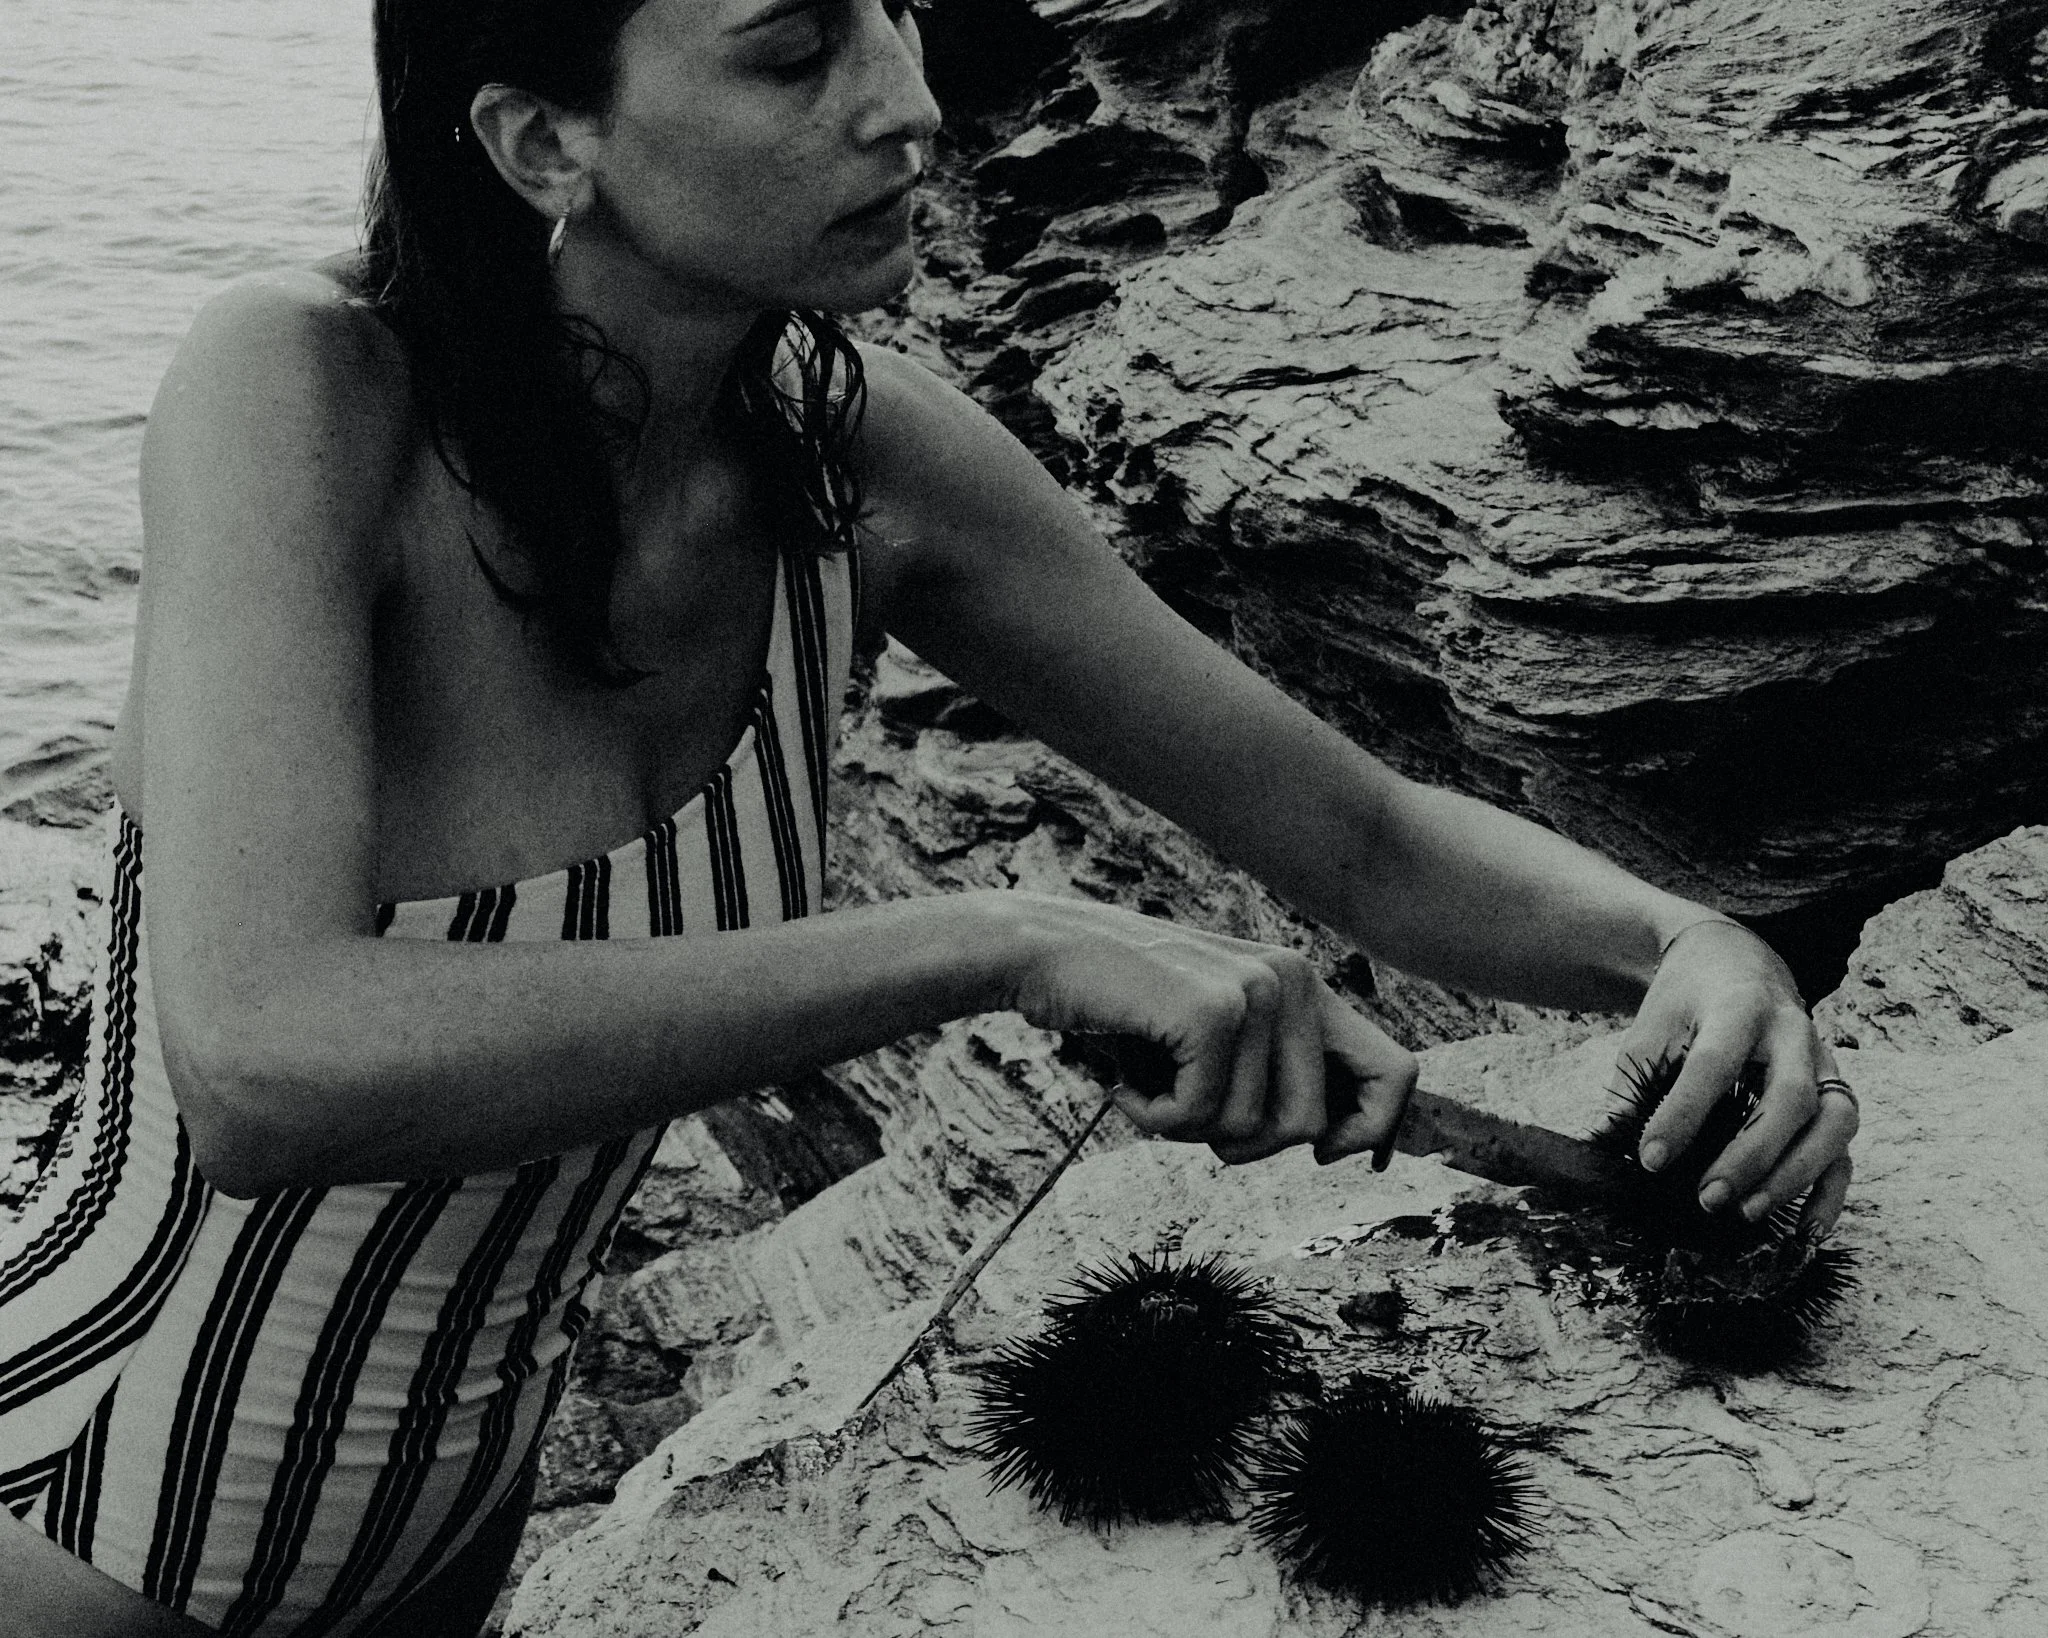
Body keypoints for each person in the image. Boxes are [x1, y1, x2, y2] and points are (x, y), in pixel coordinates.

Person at [0, 0, 1858, 1630]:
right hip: (74, 1515)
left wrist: (1678, 942)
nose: (907, 97)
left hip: (451, 1547)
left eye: (892, 11)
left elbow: (1357, 833)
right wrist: (1000, 939)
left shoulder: (859, 463)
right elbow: (262, 1060)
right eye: (797, 48)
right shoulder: (302, 390)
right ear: (538, 138)